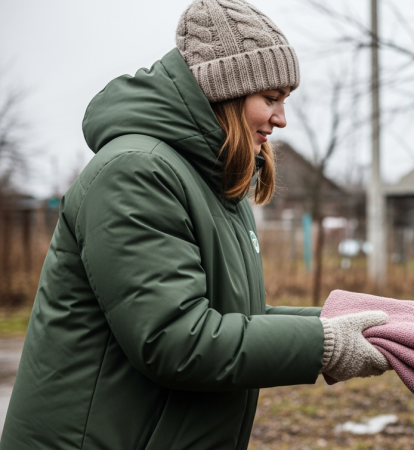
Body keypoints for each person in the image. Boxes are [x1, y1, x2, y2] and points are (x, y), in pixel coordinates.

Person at [0, 1, 390, 449]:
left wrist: (364, 322)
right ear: (227, 89)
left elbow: (237, 320)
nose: (281, 119)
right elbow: (175, 339)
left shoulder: (216, 183)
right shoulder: (135, 172)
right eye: (271, 99)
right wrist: (324, 343)